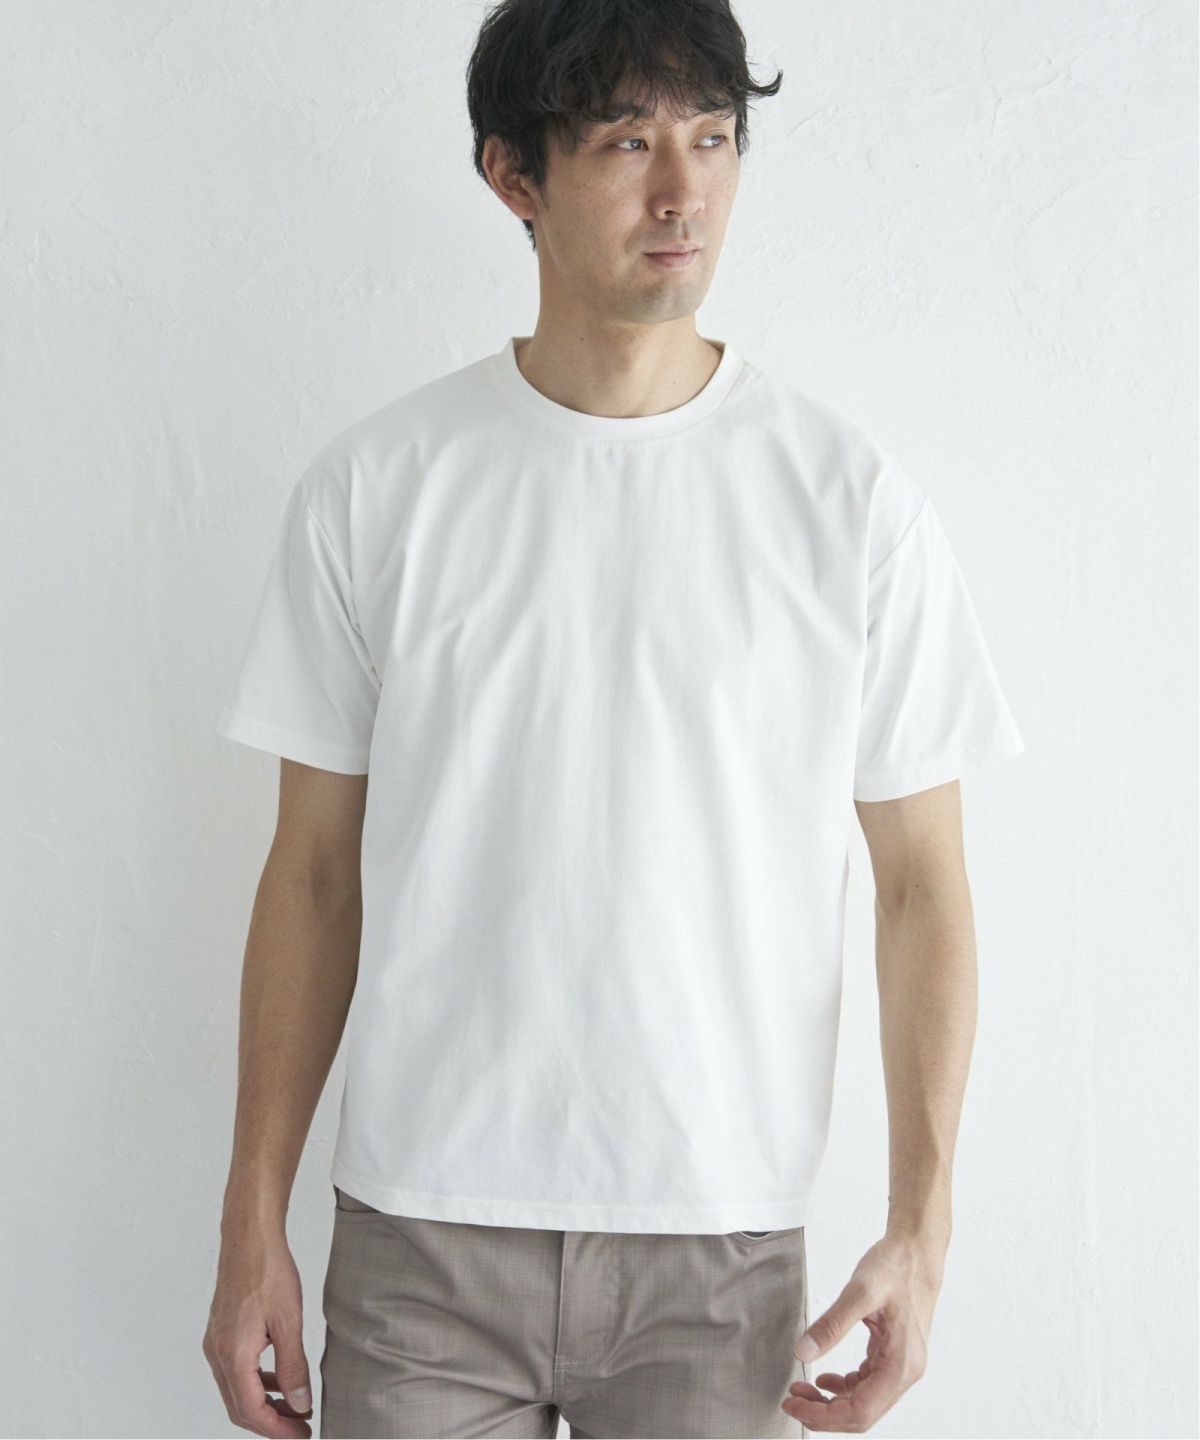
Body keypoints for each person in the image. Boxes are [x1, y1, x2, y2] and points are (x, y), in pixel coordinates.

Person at [201, 1, 1025, 1436]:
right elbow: (314, 875)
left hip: (721, 1253)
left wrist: (922, 1227)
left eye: (714, 138)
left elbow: (922, 888)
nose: (684, 192)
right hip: (422, 1237)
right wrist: (250, 1215)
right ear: (511, 174)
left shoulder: (847, 504)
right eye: (629, 143)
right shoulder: (380, 490)